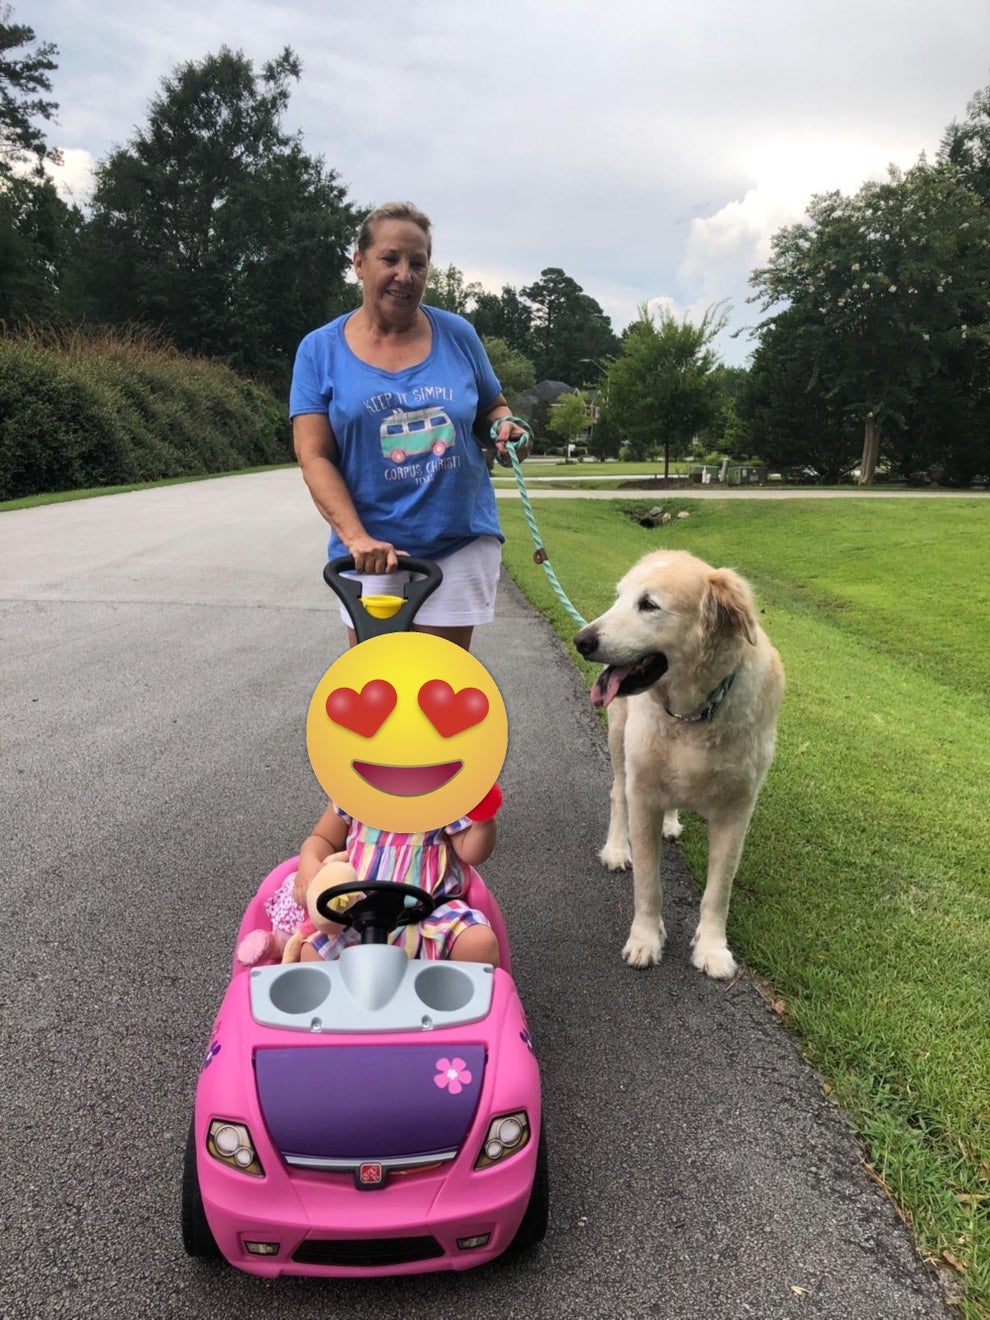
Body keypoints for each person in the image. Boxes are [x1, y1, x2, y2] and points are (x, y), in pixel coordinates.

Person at [290, 200, 531, 651]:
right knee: (377, 691)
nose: (405, 274)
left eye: (417, 263)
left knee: (437, 689)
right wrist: (356, 538)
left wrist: (505, 428)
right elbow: (314, 454)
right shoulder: (319, 350)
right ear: (359, 263)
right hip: (369, 554)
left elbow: (490, 406)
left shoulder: (458, 334)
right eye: (390, 259)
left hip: (458, 542)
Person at [237, 787, 502, 968]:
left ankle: (463, 1027)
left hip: (430, 915)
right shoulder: (353, 794)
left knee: (479, 944)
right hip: (356, 918)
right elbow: (322, 839)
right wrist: (309, 863)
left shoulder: (446, 797)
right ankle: (332, 1033)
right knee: (311, 954)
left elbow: (471, 853)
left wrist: (483, 821)